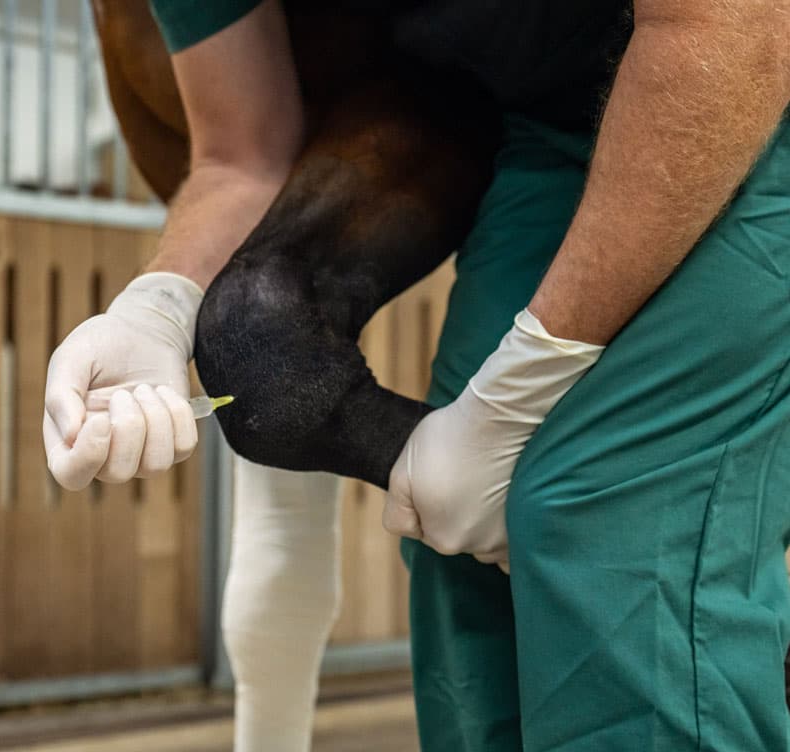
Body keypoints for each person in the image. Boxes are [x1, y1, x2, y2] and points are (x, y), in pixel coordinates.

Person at [45, 1, 790, 750]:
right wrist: (159, 305)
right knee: (452, 548)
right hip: (545, 126)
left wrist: (526, 382)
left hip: (737, 80)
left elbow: (729, 27)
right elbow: (244, 152)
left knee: (601, 519)